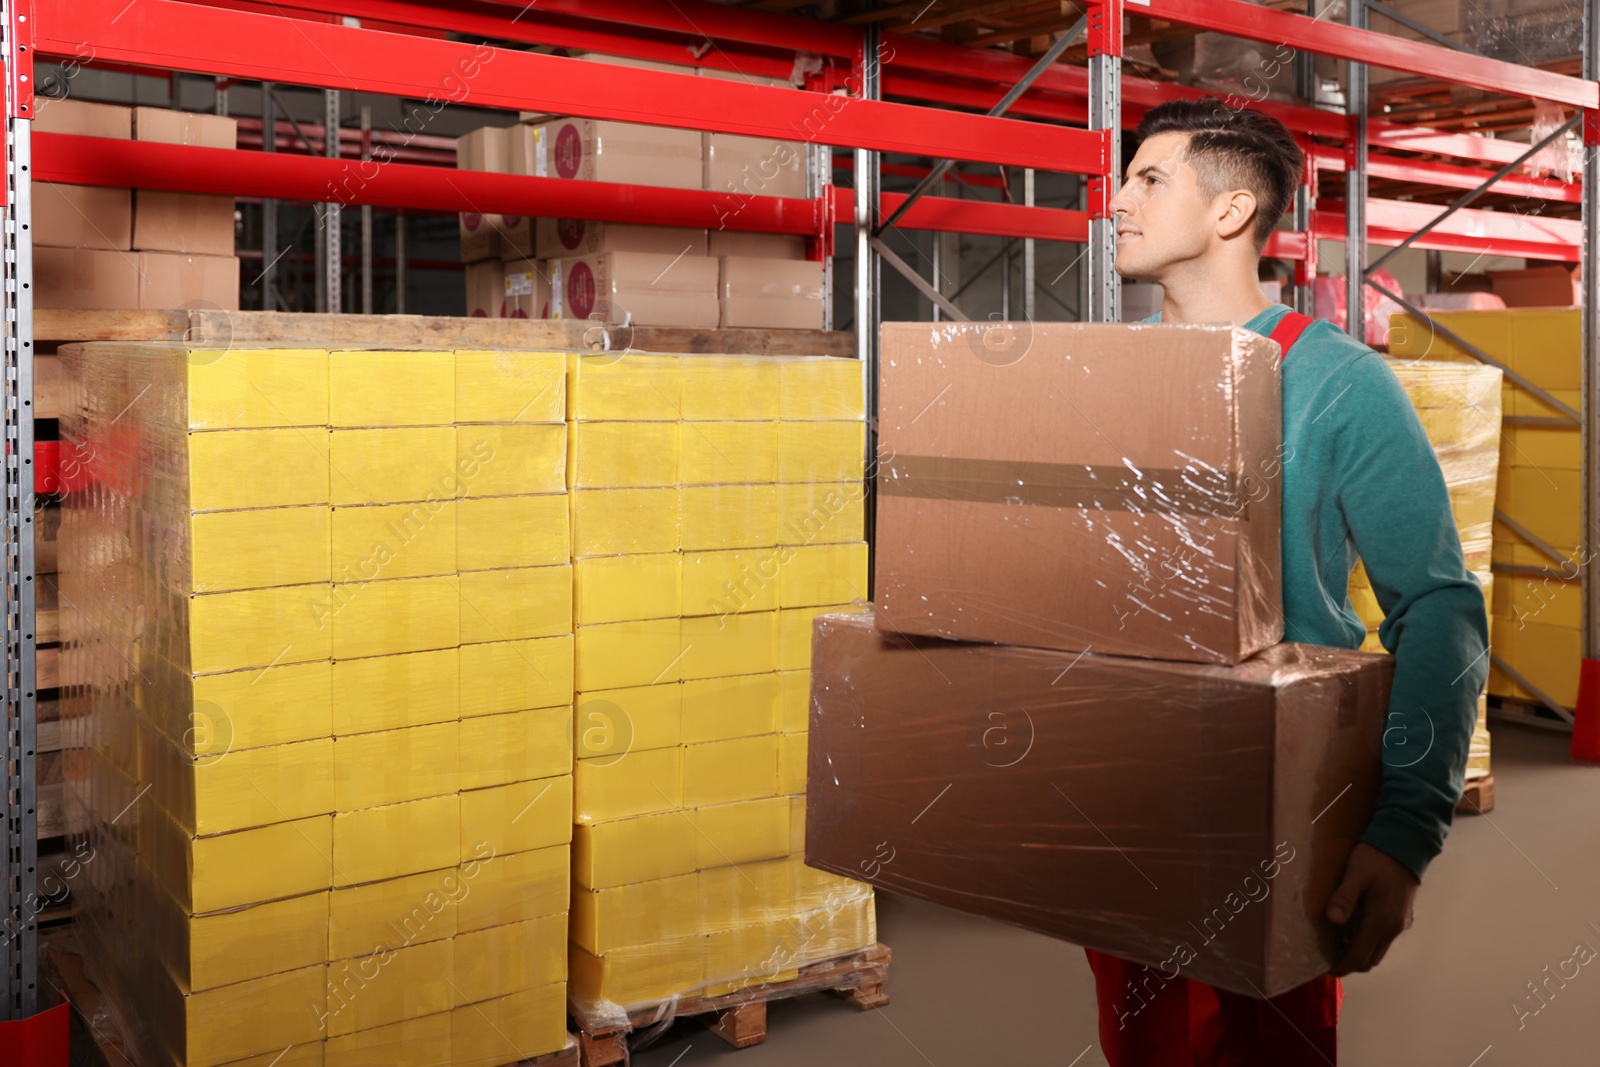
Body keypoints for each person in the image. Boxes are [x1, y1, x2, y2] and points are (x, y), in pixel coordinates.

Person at [1092, 98, 1490, 1064]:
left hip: (1277, 803)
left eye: (1149, 179)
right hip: (1125, 797)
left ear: (1231, 213)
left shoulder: (1340, 382)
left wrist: (1404, 830)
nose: (1117, 202)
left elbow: (1439, 608)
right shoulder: (1102, 379)